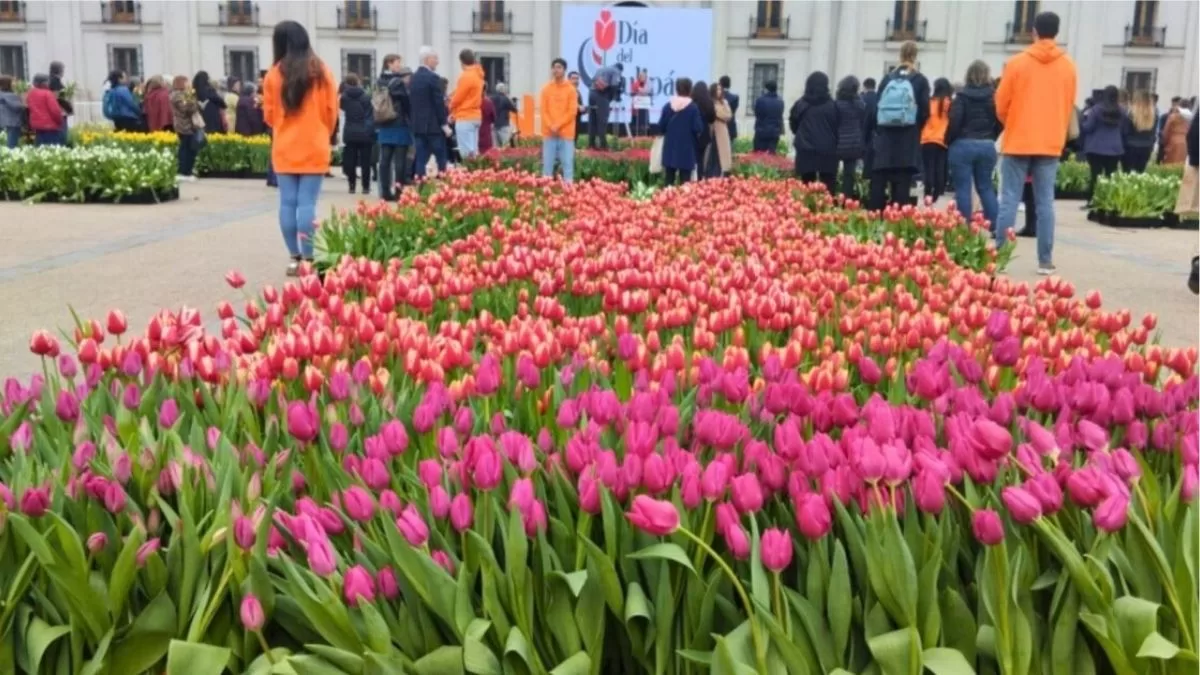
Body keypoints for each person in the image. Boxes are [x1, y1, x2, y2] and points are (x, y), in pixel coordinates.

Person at [994, 11, 1077, 275]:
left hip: (1018, 139)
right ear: (1057, 32)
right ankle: (1045, 260)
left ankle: (1001, 256)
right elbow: (1068, 105)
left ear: (1034, 31)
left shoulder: (1016, 64)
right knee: (1045, 202)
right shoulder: (1068, 67)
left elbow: (1000, 104)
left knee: (1009, 199)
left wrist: (1014, 122)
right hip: (1050, 141)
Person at [262, 20, 338, 276]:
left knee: (287, 203)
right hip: (314, 144)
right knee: (307, 204)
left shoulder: (274, 74)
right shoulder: (321, 70)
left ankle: (293, 257)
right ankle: (308, 258)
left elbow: (269, 115)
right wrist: (321, 131)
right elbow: (331, 111)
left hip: (284, 146)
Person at [865, 42, 930, 210]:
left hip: (885, 139)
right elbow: (925, 112)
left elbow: (876, 109)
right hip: (907, 140)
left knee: (879, 184)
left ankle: (875, 220)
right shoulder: (920, 80)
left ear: (899, 55)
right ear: (915, 56)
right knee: (902, 189)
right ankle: (896, 223)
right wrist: (915, 128)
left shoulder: (887, 79)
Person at [946, 60, 1001, 228]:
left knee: (963, 187)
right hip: (986, 144)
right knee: (985, 186)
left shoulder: (961, 96)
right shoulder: (994, 97)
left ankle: (964, 225)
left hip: (962, 144)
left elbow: (954, 121)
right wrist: (992, 136)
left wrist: (949, 140)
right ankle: (995, 224)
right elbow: (1001, 121)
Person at [789, 71, 840, 195]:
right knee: (828, 185)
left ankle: (808, 209)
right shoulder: (833, 105)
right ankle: (828, 211)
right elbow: (838, 125)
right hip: (828, 149)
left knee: (806, 185)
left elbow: (793, 124)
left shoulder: (801, 104)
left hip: (806, 148)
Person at [410, 46, 451, 178]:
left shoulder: (413, 78)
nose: (437, 61)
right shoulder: (433, 78)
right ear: (427, 60)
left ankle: (420, 185)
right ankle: (445, 186)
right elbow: (438, 103)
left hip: (418, 126)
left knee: (421, 158)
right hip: (433, 126)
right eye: (435, 58)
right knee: (441, 158)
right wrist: (444, 124)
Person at [377, 54, 414, 198]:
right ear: (389, 64)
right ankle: (399, 191)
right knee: (400, 160)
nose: (399, 65)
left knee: (385, 160)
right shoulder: (398, 82)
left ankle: (385, 192)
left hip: (385, 123)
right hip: (399, 123)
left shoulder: (380, 80)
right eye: (397, 62)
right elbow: (406, 102)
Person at [1081, 86, 1126, 202]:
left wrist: (1082, 122)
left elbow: (1088, 127)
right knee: (1110, 176)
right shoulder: (1121, 110)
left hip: (1095, 147)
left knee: (1095, 175)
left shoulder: (1096, 109)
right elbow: (1123, 128)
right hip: (1115, 148)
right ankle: (1107, 200)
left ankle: (1092, 200)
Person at [657, 77, 703, 186]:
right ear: (690, 89)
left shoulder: (668, 106)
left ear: (676, 89)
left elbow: (660, 127)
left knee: (668, 181)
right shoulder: (693, 108)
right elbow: (698, 127)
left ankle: (665, 201)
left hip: (670, 148)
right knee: (685, 183)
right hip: (686, 149)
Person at [540, 57, 576, 182]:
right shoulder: (546, 89)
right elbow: (543, 110)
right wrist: (551, 125)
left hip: (565, 133)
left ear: (564, 70)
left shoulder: (571, 89)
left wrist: (558, 125)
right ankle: (546, 192)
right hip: (549, 133)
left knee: (567, 166)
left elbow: (572, 112)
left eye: (559, 67)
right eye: (554, 67)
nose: (556, 70)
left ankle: (568, 193)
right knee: (547, 166)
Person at [339, 73, 374, 195]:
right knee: (365, 161)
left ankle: (352, 185)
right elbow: (370, 114)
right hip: (364, 132)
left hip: (349, 131)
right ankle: (365, 186)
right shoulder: (365, 96)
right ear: (358, 82)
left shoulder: (344, 97)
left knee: (351, 161)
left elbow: (342, 110)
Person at [834, 75, 866, 199]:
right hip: (853, 143)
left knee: (833, 171)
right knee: (849, 174)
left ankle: (832, 195)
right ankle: (846, 198)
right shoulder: (860, 104)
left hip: (838, 142)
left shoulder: (836, 104)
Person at [920, 77, 953, 201]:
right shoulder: (949, 102)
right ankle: (938, 190)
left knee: (928, 166)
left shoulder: (930, 102)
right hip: (943, 138)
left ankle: (928, 189)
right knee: (940, 166)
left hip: (927, 138)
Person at [449, 49, 484, 159]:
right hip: (475, 115)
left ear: (462, 61)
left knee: (467, 153)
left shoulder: (466, 76)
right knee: (474, 151)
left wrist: (450, 106)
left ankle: (470, 174)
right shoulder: (478, 74)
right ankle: (476, 173)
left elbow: (458, 98)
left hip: (465, 116)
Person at [169, 75, 200, 179]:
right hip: (183, 125)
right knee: (185, 148)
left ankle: (188, 171)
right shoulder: (177, 95)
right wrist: (193, 101)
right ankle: (183, 171)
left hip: (188, 125)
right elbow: (186, 108)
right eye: (186, 82)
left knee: (190, 148)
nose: (189, 84)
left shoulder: (184, 94)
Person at [589, 62, 622, 150]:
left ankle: (591, 144)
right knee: (602, 121)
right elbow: (615, 85)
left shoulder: (601, 69)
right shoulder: (616, 71)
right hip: (601, 95)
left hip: (591, 93)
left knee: (593, 120)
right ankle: (603, 146)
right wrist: (612, 97)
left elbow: (593, 80)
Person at [1122, 90, 1156, 172]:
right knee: (1140, 173)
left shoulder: (1130, 115)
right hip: (1146, 147)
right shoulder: (1153, 116)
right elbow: (1153, 134)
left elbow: (1125, 132)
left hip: (1130, 147)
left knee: (1127, 174)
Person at [26, 74, 64, 146]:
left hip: (36, 126)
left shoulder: (30, 93)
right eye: (48, 81)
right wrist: (60, 122)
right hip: (50, 126)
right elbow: (55, 111)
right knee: (52, 150)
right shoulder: (47, 94)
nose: (49, 83)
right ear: (44, 83)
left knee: (40, 149)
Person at [705, 81, 733, 177]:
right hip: (712, 131)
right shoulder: (710, 103)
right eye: (717, 89)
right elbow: (716, 114)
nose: (719, 91)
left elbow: (728, 115)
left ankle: (721, 173)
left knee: (722, 155)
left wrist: (718, 111)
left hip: (722, 131)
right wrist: (718, 112)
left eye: (720, 89)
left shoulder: (724, 102)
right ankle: (710, 174)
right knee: (712, 155)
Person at [691, 80, 716, 178]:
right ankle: (700, 176)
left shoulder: (693, 102)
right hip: (704, 134)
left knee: (694, 157)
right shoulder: (709, 103)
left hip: (694, 134)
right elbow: (712, 119)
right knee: (701, 158)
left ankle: (693, 177)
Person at [752, 80, 784, 153]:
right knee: (771, 157)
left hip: (762, 131)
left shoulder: (760, 100)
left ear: (766, 89)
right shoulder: (780, 101)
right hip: (775, 133)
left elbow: (757, 114)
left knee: (758, 155)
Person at [1161, 100, 1192, 165]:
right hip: (1185, 143)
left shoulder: (1173, 116)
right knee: (1180, 165)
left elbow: (1166, 131)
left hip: (1173, 142)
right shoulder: (1191, 118)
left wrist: (1164, 143)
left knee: (1170, 164)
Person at [48, 61, 72, 141]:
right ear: (59, 70)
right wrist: (68, 107)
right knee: (62, 134)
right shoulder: (55, 81)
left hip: (58, 110)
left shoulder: (51, 80)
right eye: (63, 69)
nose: (63, 72)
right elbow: (57, 97)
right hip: (60, 110)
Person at [490, 82, 517, 147]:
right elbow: (514, 110)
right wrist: (513, 102)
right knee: (505, 146)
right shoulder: (506, 98)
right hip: (504, 125)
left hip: (493, 125)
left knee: (496, 147)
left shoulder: (491, 98)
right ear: (504, 90)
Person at [0, 75, 24, 148]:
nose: (15, 84)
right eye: (13, 82)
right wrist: (22, 101)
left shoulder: (2, 94)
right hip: (13, 122)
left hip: (3, 121)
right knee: (12, 144)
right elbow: (17, 107)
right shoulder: (10, 96)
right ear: (8, 84)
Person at [861, 77, 879, 173]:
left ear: (864, 86)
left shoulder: (862, 99)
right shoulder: (879, 98)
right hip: (876, 133)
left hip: (864, 132)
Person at [631, 69, 651, 136]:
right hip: (637, 106)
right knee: (636, 122)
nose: (643, 78)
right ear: (639, 77)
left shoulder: (648, 84)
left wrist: (643, 92)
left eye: (644, 76)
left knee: (644, 121)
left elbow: (648, 91)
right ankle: (636, 135)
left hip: (644, 106)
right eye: (641, 76)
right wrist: (642, 92)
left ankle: (644, 135)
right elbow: (636, 91)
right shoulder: (635, 83)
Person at [719, 75, 739, 140]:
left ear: (720, 84)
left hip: (720, 127)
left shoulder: (717, 98)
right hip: (731, 127)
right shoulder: (735, 98)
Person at [479, 84, 495, 155]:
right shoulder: (488, 102)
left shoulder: (472, 102)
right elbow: (493, 117)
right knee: (487, 154)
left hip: (474, 132)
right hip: (485, 131)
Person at [569, 71, 584, 142]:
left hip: (577, 120)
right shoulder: (566, 91)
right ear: (568, 80)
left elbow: (580, 105)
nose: (576, 81)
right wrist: (578, 107)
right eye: (573, 78)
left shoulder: (578, 91)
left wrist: (584, 109)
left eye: (577, 79)